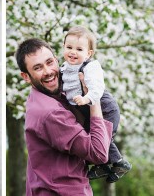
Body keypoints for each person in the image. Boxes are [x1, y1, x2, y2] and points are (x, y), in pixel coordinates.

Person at [15, 38, 113, 195]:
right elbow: (99, 153)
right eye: (38, 68)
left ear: (56, 60)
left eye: (49, 62)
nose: (48, 71)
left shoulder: (51, 96)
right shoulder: (50, 113)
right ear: (26, 76)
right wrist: (93, 98)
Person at [60, 25, 131, 183]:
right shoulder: (65, 68)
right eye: (69, 47)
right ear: (63, 47)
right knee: (91, 137)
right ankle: (103, 166)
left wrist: (87, 98)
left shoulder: (90, 67)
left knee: (103, 138)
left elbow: (97, 89)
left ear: (88, 53)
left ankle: (120, 163)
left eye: (79, 49)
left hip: (105, 108)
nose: (73, 52)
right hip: (86, 110)